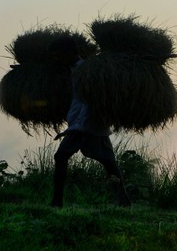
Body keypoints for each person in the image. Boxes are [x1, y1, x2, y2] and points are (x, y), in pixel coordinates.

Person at [49, 36, 131, 208]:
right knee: (109, 162)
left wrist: (78, 127)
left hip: (87, 124)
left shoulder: (85, 71)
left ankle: (57, 202)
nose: (55, 59)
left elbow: (89, 101)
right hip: (89, 124)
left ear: (69, 53)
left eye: (58, 55)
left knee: (62, 156)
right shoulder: (73, 71)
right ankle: (124, 201)